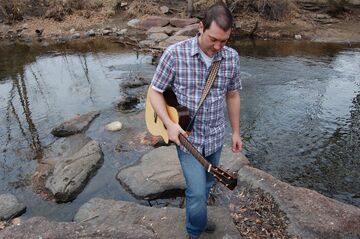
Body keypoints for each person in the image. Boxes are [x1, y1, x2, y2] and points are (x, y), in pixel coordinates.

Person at [149, 2, 242, 239]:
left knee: (209, 183)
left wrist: (235, 132)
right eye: (213, 39)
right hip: (186, 138)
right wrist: (170, 125)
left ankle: (197, 220)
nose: (218, 46)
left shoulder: (231, 58)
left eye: (224, 41)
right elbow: (154, 91)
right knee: (197, 191)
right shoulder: (175, 54)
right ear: (201, 27)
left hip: (215, 135)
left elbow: (232, 95)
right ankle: (194, 232)